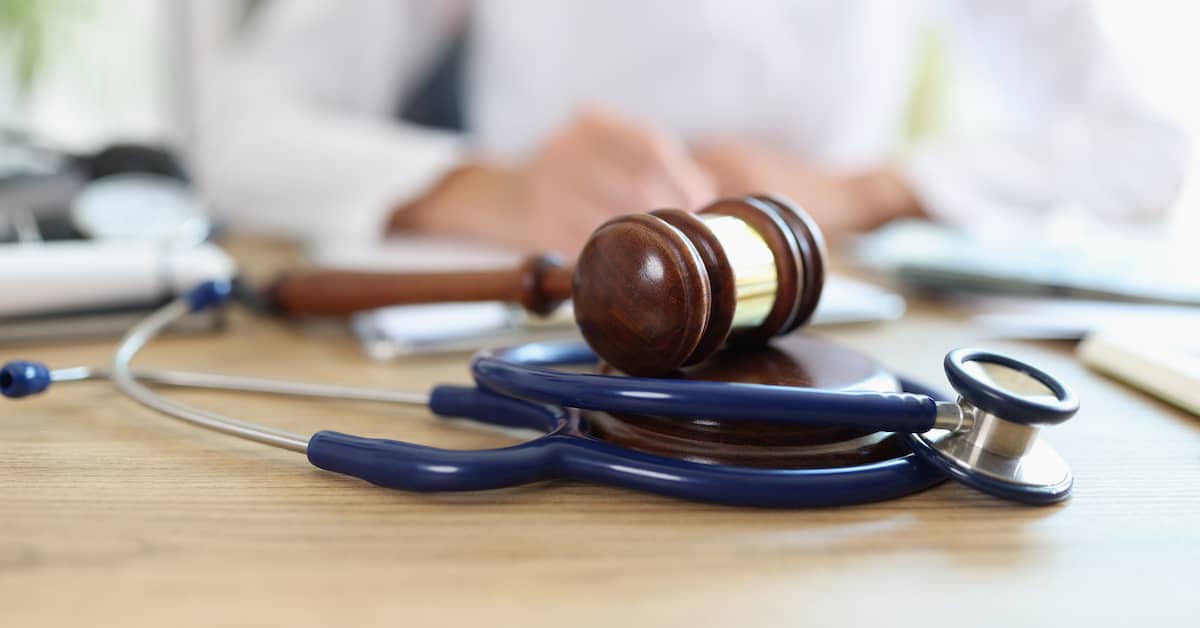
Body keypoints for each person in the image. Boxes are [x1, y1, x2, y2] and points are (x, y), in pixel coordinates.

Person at [194, 0, 1187, 254]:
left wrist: (863, 191)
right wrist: (491, 189)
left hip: (842, 347)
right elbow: (239, 127)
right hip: (540, 320)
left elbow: (1146, 149)